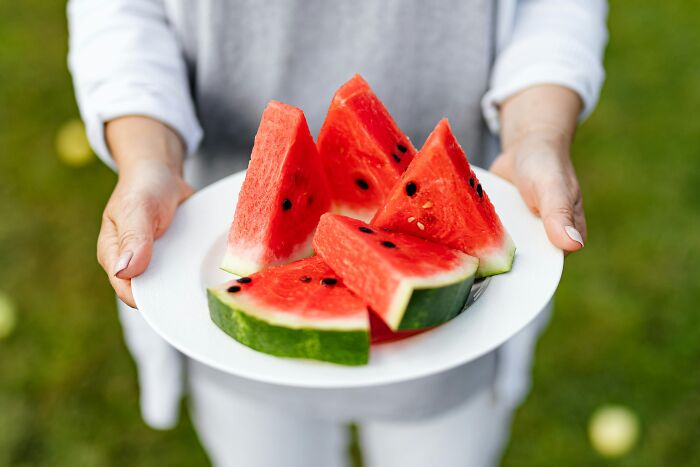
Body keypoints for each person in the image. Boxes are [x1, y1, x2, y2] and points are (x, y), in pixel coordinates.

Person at [68, 1, 607, 466]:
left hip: (458, 327)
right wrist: (148, 159)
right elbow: (122, 12)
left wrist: (538, 134)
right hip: (216, 247)